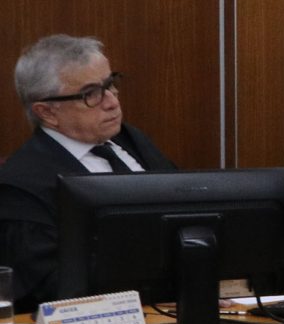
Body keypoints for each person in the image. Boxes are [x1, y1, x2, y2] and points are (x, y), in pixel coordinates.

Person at [1, 35, 177, 308]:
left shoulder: (132, 140)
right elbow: (52, 286)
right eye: (91, 94)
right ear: (47, 112)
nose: (111, 102)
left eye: (111, 84)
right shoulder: (21, 186)